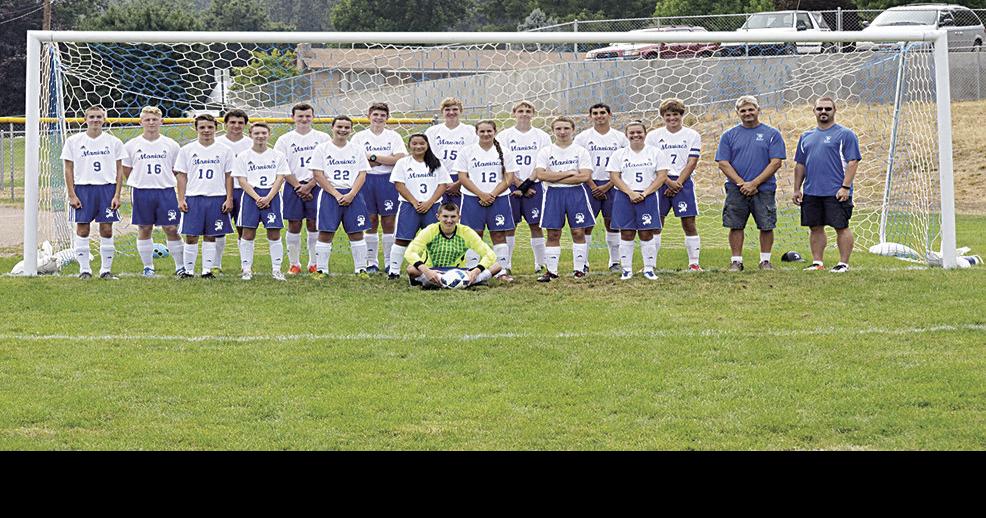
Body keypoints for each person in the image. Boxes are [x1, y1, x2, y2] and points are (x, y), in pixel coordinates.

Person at [715, 95, 786, 271]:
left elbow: (776, 162)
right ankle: (736, 261)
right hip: (736, 189)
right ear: (738, 113)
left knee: (766, 225)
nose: (747, 113)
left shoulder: (772, 134)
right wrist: (742, 184)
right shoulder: (729, 135)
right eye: (743, 110)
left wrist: (755, 183)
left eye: (751, 109)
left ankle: (765, 261)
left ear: (758, 110)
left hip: (764, 189)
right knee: (735, 225)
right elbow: (723, 162)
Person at [792, 96, 861, 273]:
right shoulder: (806, 136)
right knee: (815, 227)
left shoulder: (845, 134)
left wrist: (845, 187)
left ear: (834, 111)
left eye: (828, 109)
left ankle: (843, 263)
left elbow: (853, 162)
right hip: (812, 191)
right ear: (814, 111)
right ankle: (817, 263)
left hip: (836, 191)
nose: (824, 112)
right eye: (820, 109)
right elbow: (800, 164)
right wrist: (796, 189)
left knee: (841, 227)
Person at [61, 105, 127, 279]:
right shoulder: (73, 141)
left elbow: (119, 170)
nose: (95, 120)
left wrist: (117, 194)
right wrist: (72, 194)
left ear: (104, 119)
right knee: (82, 229)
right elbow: (68, 169)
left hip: (106, 189)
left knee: (106, 229)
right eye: (92, 117)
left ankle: (105, 270)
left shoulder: (114, 142)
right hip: (83, 189)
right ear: (85, 119)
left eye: (99, 117)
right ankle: (85, 270)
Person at [122, 106, 185, 277]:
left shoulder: (171, 145)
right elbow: (127, 170)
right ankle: (148, 267)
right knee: (144, 228)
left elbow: (176, 170)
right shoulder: (131, 145)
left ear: (161, 121)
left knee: (171, 228)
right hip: (141, 192)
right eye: (147, 119)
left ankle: (180, 266)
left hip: (166, 191)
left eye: (154, 119)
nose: (151, 122)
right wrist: (141, 181)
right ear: (141, 121)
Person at [455, 120, 518, 282]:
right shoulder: (467, 151)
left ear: (495, 132)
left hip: (498, 198)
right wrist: (481, 194)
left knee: (498, 234)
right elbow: (462, 177)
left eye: (489, 131)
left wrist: (493, 194)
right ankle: (471, 271)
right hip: (472, 198)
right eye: (482, 131)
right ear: (476, 133)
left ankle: (501, 271)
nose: (485, 134)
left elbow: (509, 178)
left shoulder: (504, 152)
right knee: (475, 235)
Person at [173, 114, 235, 279]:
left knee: (211, 235)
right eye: (202, 127)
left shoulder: (225, 150)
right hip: (194, 197)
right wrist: (181, 198)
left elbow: (229, 176)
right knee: (191, 235)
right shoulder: (187, 150)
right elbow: (181, 175)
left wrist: (229, 198)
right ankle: (188, 271)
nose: (206, 130)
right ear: (196, 129)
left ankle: (207, 270)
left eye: (210, 127)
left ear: (216, 128)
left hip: (217, 197)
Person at [310, 116, 372, 278]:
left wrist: (351, 194)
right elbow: (318, 174)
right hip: (330, 195)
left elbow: (362, 174)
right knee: (325, 232)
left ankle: (361, 269)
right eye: (339, 126)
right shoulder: (322, 149)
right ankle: (322, 270)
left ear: (351, 130)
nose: (343, 130)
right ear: (332, 127)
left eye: (346, 127)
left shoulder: (357, 149)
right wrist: (337, 194)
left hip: (353, 195)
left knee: (357, 232)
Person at [646, 98, 704, 271]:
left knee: (688, 223)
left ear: (682, 115)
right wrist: (667, 181)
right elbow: (650, 161)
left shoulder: (692, 135)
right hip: (660, 183)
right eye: (668, 115)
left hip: (683, 183)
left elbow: (692, 161)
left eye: (676, 114)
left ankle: (694, 263)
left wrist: (678, 183)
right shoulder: (654, 136)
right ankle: (651, 264)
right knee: (656, 224)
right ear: (663, 116)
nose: (672, 118)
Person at [533, 116, 594, 282]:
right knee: (553, 233)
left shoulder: (580, 151)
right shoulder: (546, 151)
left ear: (573, 130)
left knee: (578, 231)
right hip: (553, 194)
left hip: (576, 194)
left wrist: (553, 177)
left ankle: (579, 269)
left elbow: (584, 176)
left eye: (566, 128)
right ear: (553, 131)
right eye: (558, 128)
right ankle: (551, 272)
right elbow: (540, 175)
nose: (562, 132)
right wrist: (568, 173)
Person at [608, 120, 670, 280]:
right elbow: (614, 176)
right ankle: (626, 269)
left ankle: (649, 268)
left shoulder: (655, 152)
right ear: (627, 135)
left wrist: (645, 192)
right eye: (632, 133)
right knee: (626, 233)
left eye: (639, 132)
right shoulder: (619, 154)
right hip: (624, 196)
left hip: (647, 197)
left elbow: (662, 176)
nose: (636, 135)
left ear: (645, 133)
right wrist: (630, 192)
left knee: (646, 232)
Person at [274, 102, 330, 275]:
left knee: (314, 224)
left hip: (317, 185)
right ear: (293, 118)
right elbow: (281, 166)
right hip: (293, 186)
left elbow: (328, 163)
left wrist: (311, 184)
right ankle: (294, 264)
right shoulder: (284, 139)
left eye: (307, 116)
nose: (304, 119)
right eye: (300, 116)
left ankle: (314, 263)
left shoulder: (323, 138)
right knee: (294, 223)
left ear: (313, 117)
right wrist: (299, 186)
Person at [351, 102, 408, 274]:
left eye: (383, 115)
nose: (379, 118)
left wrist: (373, 157)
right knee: (371, 220)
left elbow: (398, 158)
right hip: (366, 180)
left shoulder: (394, 136)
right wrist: (385, 158)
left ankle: (390, 262)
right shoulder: (359, 137)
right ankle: (371, 262)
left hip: (388, 181)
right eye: (375, 114)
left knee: (389, 221)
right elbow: (356, 160)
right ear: (369, 116)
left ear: (387, 118)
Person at [496, 100, 552, 273]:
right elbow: (500, 162)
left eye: (528, 110)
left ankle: (540, 264)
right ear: (514, 113)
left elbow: (542, 163)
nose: (525, 113)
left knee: (536, 225)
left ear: (533, 113)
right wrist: (518, 183)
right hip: (509, 185)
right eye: (521, 110)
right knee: (509, 226)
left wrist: (527, 184)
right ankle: (506, 265)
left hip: (535, 186)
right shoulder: (504, 136)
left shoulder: (542, 136)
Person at [387, 134, 451, 279]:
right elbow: (399, 184)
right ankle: (394, 271)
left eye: (422, 143)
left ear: (427, 145)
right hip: (409, 206)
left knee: (435, 239)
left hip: (433, 207)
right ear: (409, 145)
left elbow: (443, 185)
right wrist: (415, 202)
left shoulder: (436, 163)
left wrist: (429, 202)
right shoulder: (403, 162)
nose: (418, 146)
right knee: (402, 238)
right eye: (414, 143)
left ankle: (435, 268)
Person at [574, 103, 629, 274]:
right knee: (586, 224)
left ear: (610, 114)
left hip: (612, 184)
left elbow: (626, 162)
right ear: (590, 117)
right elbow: (577, 162)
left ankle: (615, 261)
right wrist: (592, 185)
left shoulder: (620, 138)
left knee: (612, 223)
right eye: (595, 113)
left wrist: (609, 184)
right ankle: (584, 262)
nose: (599, 116)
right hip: (588, 184)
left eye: (602, 113)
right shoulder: (582, 138)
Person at [231, 122, 290, 280]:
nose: (260, 136)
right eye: (256, 133)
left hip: (272, 196)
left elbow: (281, 177)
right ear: (250, 135)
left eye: (263, 133)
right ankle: (246, 269)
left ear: (269, 134)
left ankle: (277, 270)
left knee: (274, 232)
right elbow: (242, 180)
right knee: (248, 233)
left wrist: (269, 196)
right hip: (251, 197)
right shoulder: (243, 156)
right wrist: (257, 197)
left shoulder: (277, 155)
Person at [404, 203, 503, 289]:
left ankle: (435, 283)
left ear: (459, 218)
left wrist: (476, 271)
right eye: (445, 216)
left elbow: (490, 254)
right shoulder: (430, 230)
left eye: (453, 217)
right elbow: (410, 252)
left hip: (458, 272)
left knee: (497, 266)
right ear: (438, 216)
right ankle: (468, 283)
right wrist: (427, 271)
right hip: (433, 271)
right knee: (411, 269)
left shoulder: (466, 232)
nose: (449, 220)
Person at [216, 109, 251, 274]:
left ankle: (245, 266)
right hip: (218, 191)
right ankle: (216, 265)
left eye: (240, 123)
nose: (236, 126)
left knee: (243, 229)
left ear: (245, 125)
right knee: (217, 229)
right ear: (225, 124)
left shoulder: (252, 143)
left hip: (245, 191)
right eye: (232, 122)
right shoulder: (216, 143)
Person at [425, 97, 477, 207]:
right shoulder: (432, 131)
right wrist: (442, 181)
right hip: (438, 176)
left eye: (455, 109)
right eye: (447, 109)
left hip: (462, 177)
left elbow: (475, 158)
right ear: (442, 112)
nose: (451, 112)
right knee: (439, 214)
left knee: (460, 215)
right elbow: (427, 156)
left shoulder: (471, 131)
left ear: (461, 111)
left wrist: (459, 182)